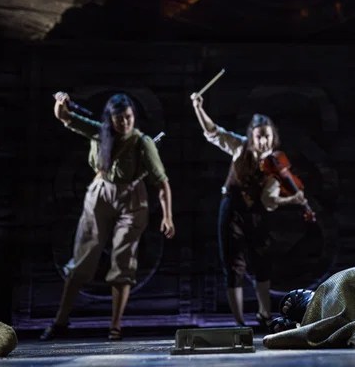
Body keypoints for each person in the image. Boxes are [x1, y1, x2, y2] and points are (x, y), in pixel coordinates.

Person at [42, 92, 175, 341]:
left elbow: (162, 182)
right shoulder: (99, 132)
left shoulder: (142, 142)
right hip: (101, 193)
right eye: (119, 119)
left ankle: (115, 327)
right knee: (82, 256)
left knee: (123, 262)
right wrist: (60, 102)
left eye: (128, 117)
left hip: (132, 198)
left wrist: (167, 216)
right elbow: (65, 117)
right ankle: (60, 321)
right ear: (110, 119)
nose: (125, 123)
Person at [190, 92, 308, 328]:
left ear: (273, 137)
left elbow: (269, 201)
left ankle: (264, 314)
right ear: (252, 136)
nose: (263, 141)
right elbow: (214, 133)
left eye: (267, 136)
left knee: (262, 263)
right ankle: (239, 322)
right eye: (259, 136)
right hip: (232, 210)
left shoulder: (276, 165)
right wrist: (198, 108)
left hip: (257, 215)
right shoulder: (239, 147)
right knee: (233, 265)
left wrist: (292, 200)